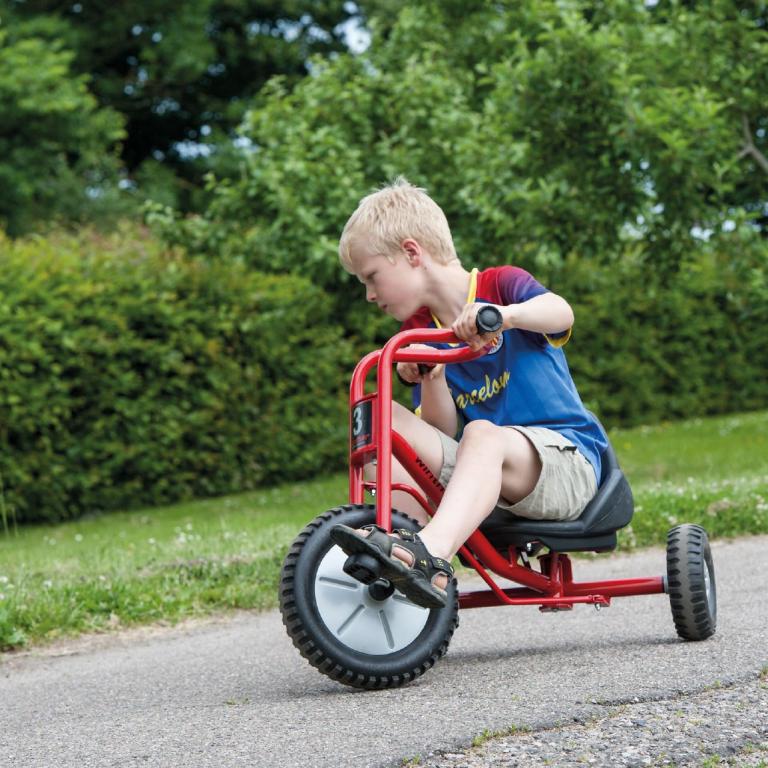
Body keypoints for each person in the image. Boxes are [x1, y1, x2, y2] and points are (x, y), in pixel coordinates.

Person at [330, 177, 607, 610]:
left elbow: (561, 313)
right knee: (385, 415)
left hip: (565, 461)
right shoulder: (418, 332)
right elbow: (436, 436)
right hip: (486, 473)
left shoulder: (502, 285)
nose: (369, 295)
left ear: (411, 253)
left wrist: (504, 316)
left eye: (372, 277)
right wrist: (432, 377)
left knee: (482, 432)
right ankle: (397, 543)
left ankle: (430, 555)